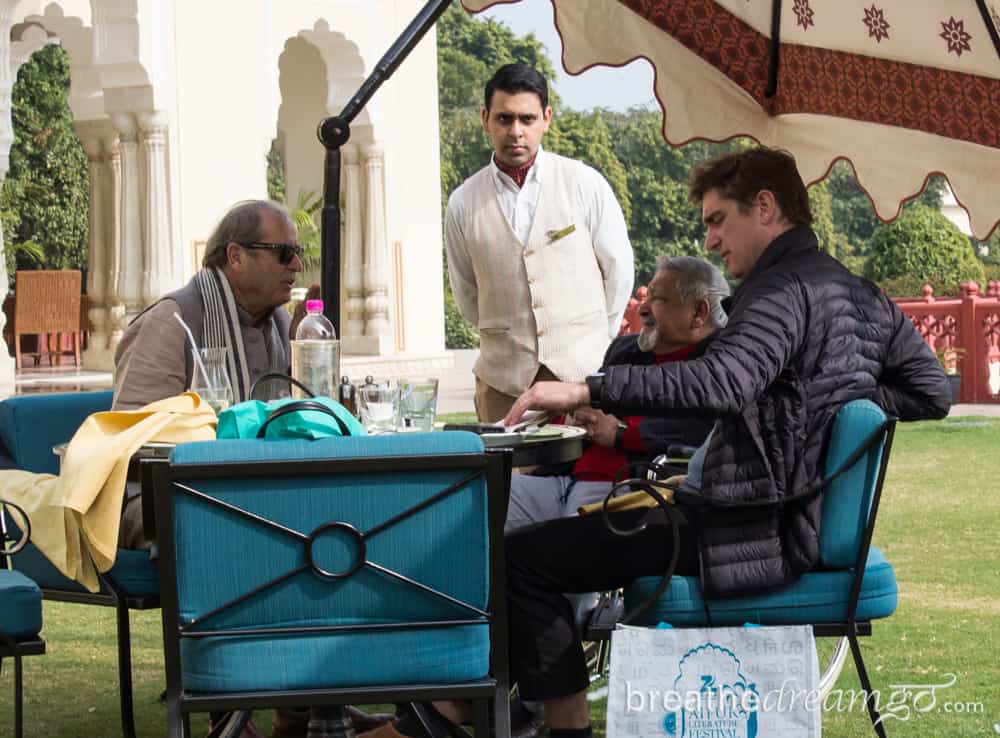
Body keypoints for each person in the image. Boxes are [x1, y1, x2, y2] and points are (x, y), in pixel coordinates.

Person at [385, 146, 951, 738]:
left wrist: (587, 387)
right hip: (776, 519)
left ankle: (562, 727)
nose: (709, 241)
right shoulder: (860, 293)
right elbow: (930, 389)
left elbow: (722, 381)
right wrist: (827, 407)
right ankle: (472, 716)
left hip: (744, 530)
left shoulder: (780, 290)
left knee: (520, 560)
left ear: (764, 207)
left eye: (716, 219)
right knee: (539, 547)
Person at [445, 63, 634, 422]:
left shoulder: (583, 183)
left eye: (527, 119)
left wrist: (592, 343)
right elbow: (467, 295)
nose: (515, 131)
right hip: (502, 383)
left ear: (546, 118)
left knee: (587, 475)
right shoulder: (463, 201)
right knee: (505, 478)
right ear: (485, 119)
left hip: (583, 378)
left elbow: (619, 271)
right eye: (504, 119)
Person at [505, 256, 729, 532]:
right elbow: (593, 406)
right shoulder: (625, 350)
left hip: (631, 493)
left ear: (699, 312)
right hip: (562, 480)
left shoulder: (720, 366)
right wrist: (573, 421)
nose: (643, 307)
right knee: (477, 496)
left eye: (658, 299)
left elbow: (705, 431)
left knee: (550, 551)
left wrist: (621, 433)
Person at [113, 199, 301, 411]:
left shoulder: (281, 323)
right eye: (284, 253)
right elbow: (138, 434)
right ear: (236, 257)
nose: (297, 265)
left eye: (297, 253)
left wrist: (304, 358)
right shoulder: (170, 324)